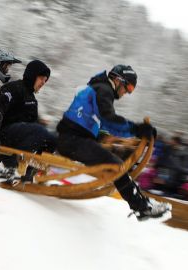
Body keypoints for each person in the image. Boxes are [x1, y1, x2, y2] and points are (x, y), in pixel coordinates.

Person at [55, 64, 171, 221]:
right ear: (118, 80)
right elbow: (110, 120)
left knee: (114, 161)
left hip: (73, 139)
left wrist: (118, 140)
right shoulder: (103, 90)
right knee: (115, 165)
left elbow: (99, 125)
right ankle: (142, 207)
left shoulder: (98, 88)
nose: (127, 93)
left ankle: (142, 203)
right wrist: (138, 130)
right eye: (128, 87)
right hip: (73, 141)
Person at [0, 60, 57, 185]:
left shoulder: (33, 100)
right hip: (2, 134)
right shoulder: (12, 88)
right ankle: (12, 169)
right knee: (39, 131)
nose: (43, 83)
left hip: (18, 138)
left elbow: (31, 124)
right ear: (32, 75)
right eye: (41, 78)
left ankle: (30, 173)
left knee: (52, 139)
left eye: (45, 80)